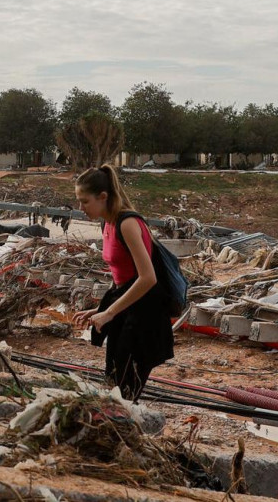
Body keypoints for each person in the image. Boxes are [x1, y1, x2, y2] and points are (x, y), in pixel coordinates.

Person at [71, 165, 173, 402]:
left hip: (145, 314)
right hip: (125, 310)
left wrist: (108, 313)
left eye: (85, 201)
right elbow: (123, 277)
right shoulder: (106, 223)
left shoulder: (127, 223)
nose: (80, 208)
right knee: (116, 381)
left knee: (126, 390)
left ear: (103, 197)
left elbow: (147, 278)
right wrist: (100, 310)